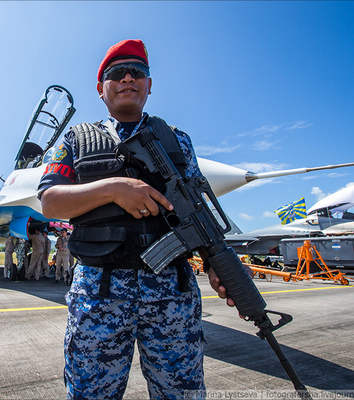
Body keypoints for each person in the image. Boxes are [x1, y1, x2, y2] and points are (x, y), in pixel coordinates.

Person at [38, 39, 237, 399]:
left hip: (172, 296)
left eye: (138, 72)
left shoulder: (178, 142)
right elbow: (50, 202)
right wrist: (113, 188)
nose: (128, 78)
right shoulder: (76, 140)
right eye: (116, 73)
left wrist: (216, 262)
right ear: (101, 89)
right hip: (98, 295)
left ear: (149, 84)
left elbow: (196, 207)